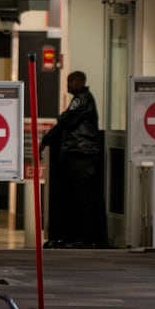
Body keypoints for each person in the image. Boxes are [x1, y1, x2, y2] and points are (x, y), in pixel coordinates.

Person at [40, 70, 105, 248]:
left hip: (82, 153)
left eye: (70, 82)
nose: (68, 85)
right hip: (81, 152)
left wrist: (46, 140)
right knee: (80, 196)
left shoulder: (81, 99)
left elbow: (67, 120)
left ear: (78, 82)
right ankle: (79, 236)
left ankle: (83, 238)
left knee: (82, 197)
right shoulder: (83, 99)